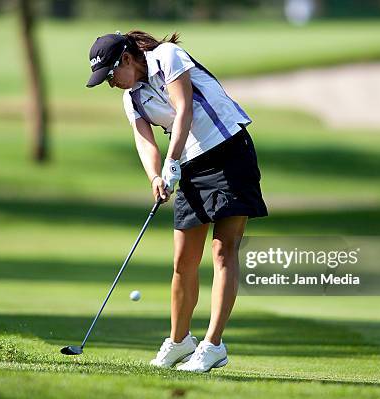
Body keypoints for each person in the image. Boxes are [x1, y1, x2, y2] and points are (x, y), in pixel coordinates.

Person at [86, 31, 267, 373]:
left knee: (222, 249)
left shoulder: (167, 56)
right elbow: (144, 142)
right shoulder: (132, 98)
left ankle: (213, 345)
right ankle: (180, 341)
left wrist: (171, 162)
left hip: (228, 150)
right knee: (183, 260)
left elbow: (183, 109)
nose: (112, 84)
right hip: (189, 164)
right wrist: (156, 176)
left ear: (126, 59)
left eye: (111, 75)